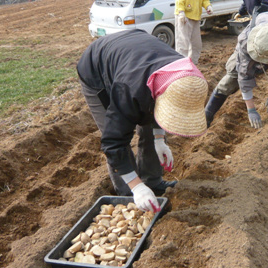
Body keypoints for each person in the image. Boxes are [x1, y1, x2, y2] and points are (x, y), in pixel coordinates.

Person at [77, 29, 208, 213]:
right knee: (115, 131)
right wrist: (136, 186)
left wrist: (159, 140)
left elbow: (162, 107)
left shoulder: (184, 75)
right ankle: (128, 195)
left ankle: (153, 182)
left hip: (135, 58)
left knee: (148, 125)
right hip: (96, 69)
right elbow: (113, 142)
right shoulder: (128, 89)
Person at [205, 8, 268, 135]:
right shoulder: (245, 41)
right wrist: (251, 110)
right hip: (257, 39)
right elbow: (244, 76)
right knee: (233, 76)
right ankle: (207, 116)